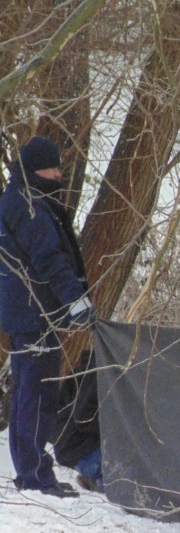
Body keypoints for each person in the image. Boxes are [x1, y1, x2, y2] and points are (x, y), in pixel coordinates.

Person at [0, 135, 97, 498]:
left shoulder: (16, 202)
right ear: (35, 170)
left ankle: (30, 472)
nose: (58, 174)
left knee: (28, 392)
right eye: (53, 168)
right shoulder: (28, 209)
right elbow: (50, 260)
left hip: (23, 314)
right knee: (37, 397)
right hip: (35, 315)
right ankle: (35, 477)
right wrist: (77, 303)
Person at [51, 349, 103, 492]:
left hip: (78, 444)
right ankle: (99, 480)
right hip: (77, 446)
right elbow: (83, 418)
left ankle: (97, 478)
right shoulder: (97, 369)